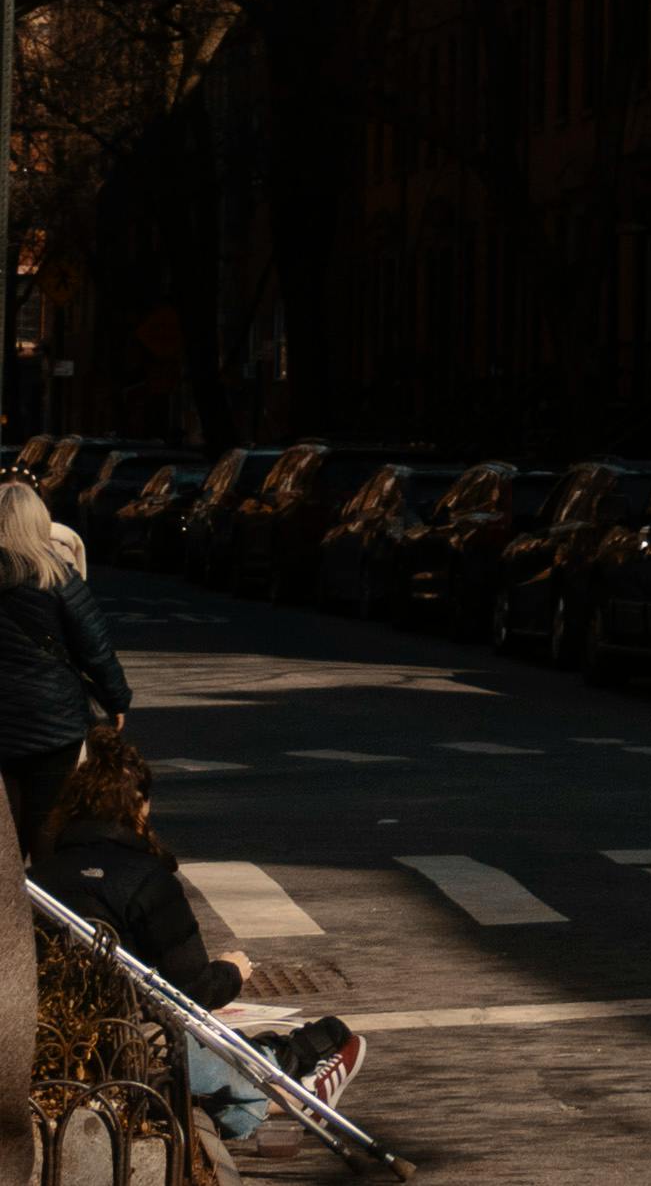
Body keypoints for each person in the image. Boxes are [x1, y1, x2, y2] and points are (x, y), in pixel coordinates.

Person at [30, 722, 366, 1145]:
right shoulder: (147, 880)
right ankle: (283, 1084)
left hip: (52, 1042)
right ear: (140, 806)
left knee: (184, 1049)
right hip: (135, 1045)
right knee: (187, 1039)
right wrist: (231, 973)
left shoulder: (36, 879)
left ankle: (271, 1090)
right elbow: (190, 992)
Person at [0, 476, 128, 861]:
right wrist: (116, 700)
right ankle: (47, 912)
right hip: (54, 722)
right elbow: (94, 646)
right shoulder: (58, 576)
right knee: (47, 825)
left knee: (4, 834)